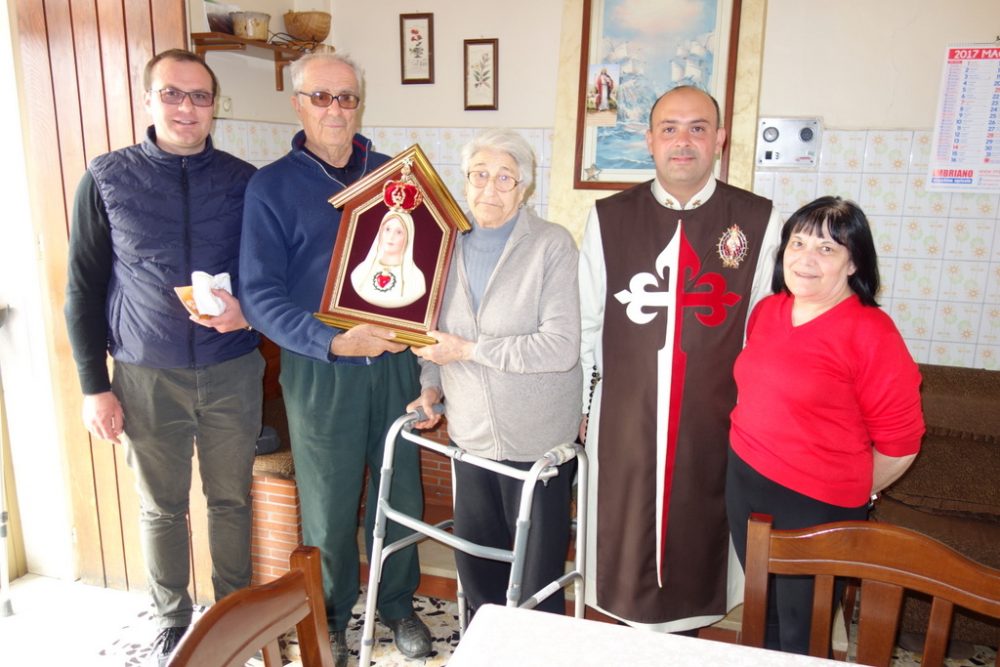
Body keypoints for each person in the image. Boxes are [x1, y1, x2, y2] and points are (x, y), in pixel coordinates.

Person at [63, 49, 263, 666]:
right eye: (173, 93)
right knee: (161, 507)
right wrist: (94, 386)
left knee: (231, 500)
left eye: (200, 96)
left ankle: (233, 613)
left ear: (214, 107)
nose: (186, 107)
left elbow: (269, 273)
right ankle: (171, 620)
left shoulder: (244, 180)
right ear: (147, 99)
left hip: (232, 368)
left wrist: (248, 312)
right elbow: (82, 287)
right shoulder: (107, 178)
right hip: (146, 373)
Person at [238, 52, 431, 666]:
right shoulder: (271, 187)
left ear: (359, 104)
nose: (335, 109)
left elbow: (425, 260)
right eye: (321, 97)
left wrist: (419, 325)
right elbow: (258, 294)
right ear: (298, 103)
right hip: (322, 366)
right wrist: (331, 340)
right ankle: (331, 618)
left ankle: (397, 604)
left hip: (394, 361)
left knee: (401, 493)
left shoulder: (394, 175)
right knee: (327, 504)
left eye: (346, 97)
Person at [578, 85, 783, 632]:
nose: (683, 141)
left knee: (701, 536)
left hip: (714, 420)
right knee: (622, 545)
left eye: (698, 128)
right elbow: (586, 322)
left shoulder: (757, 220)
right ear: (649, 140)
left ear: (719, 139)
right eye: (669, 129)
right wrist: (581, 408)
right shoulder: (610, 217)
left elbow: (764, 332)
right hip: (624, 417)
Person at [726, 196, 924, 654]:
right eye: (798, 243)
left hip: (818, 505)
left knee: (803, 634)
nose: (806, 259)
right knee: (761, 615)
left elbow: (901, 443)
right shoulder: (768, 310)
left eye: (827, 248)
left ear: (854, 263)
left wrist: (849, 491)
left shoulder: (872, 332)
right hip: (745, 483)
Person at [408, 129, 581, 617]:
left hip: (537, 441)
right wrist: (430, 388)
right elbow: (432, 337)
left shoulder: (551, 245)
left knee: (535, 580)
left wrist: (469, 350)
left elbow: (561, 347)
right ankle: (485, 646)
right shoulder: (444, 246)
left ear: (524, 187)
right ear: (464, 182)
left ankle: (538, 650)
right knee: (478, 569)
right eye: (479, 175)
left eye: (505, 177)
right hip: (471, 437)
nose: (490, 187)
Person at [350, 208, 426, 308]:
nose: (391, 237)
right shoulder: (359, 273)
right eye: (387, 229)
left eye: (399, 232)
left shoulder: (416, 280)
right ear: (380, 232)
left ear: (408, 237)